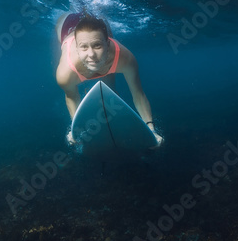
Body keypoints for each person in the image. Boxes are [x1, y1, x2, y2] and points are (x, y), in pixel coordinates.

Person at [55, 12, 162, 147]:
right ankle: (76, 11)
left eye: (97, 46)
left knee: (110, 89)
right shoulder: (65, 73)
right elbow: (71, 97)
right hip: (67, 25)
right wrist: (75, 129)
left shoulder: (125, 58)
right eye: (83, 47)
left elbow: (138, 94)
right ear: (76, 47)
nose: (91, 55)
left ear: (108, 42)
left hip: (106, 50)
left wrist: (151, 129)